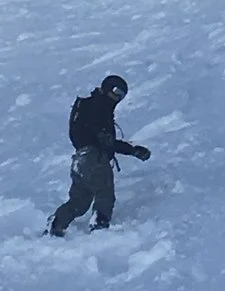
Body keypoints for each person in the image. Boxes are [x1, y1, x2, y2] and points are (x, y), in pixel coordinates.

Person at [48, 74, 150, 235]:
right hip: (94, 158)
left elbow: (104, 139)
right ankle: (99, 226)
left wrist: (132, 150)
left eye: (122, 95)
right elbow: (102, 138)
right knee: (105, 191)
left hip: (81, 160)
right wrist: (129, 149)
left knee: (80, 201)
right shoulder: (98, 105)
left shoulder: (91, 106)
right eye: (117, 92)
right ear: (108, 88)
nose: (118, 98)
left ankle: (56, 224)